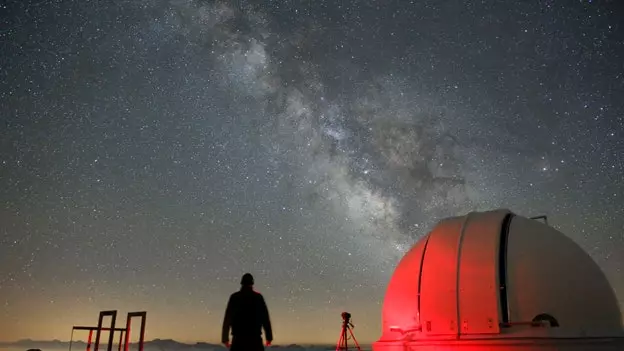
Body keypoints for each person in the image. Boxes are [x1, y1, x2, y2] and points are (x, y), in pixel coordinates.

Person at [221, 273, 273, 350]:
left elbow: (227, 319)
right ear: (252, 283)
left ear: (242, 283)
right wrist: (269, 337)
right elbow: (265, 318)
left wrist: (225, 339)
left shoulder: (234, 297)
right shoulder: (258, 297)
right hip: (255, 340)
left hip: (238, 340)